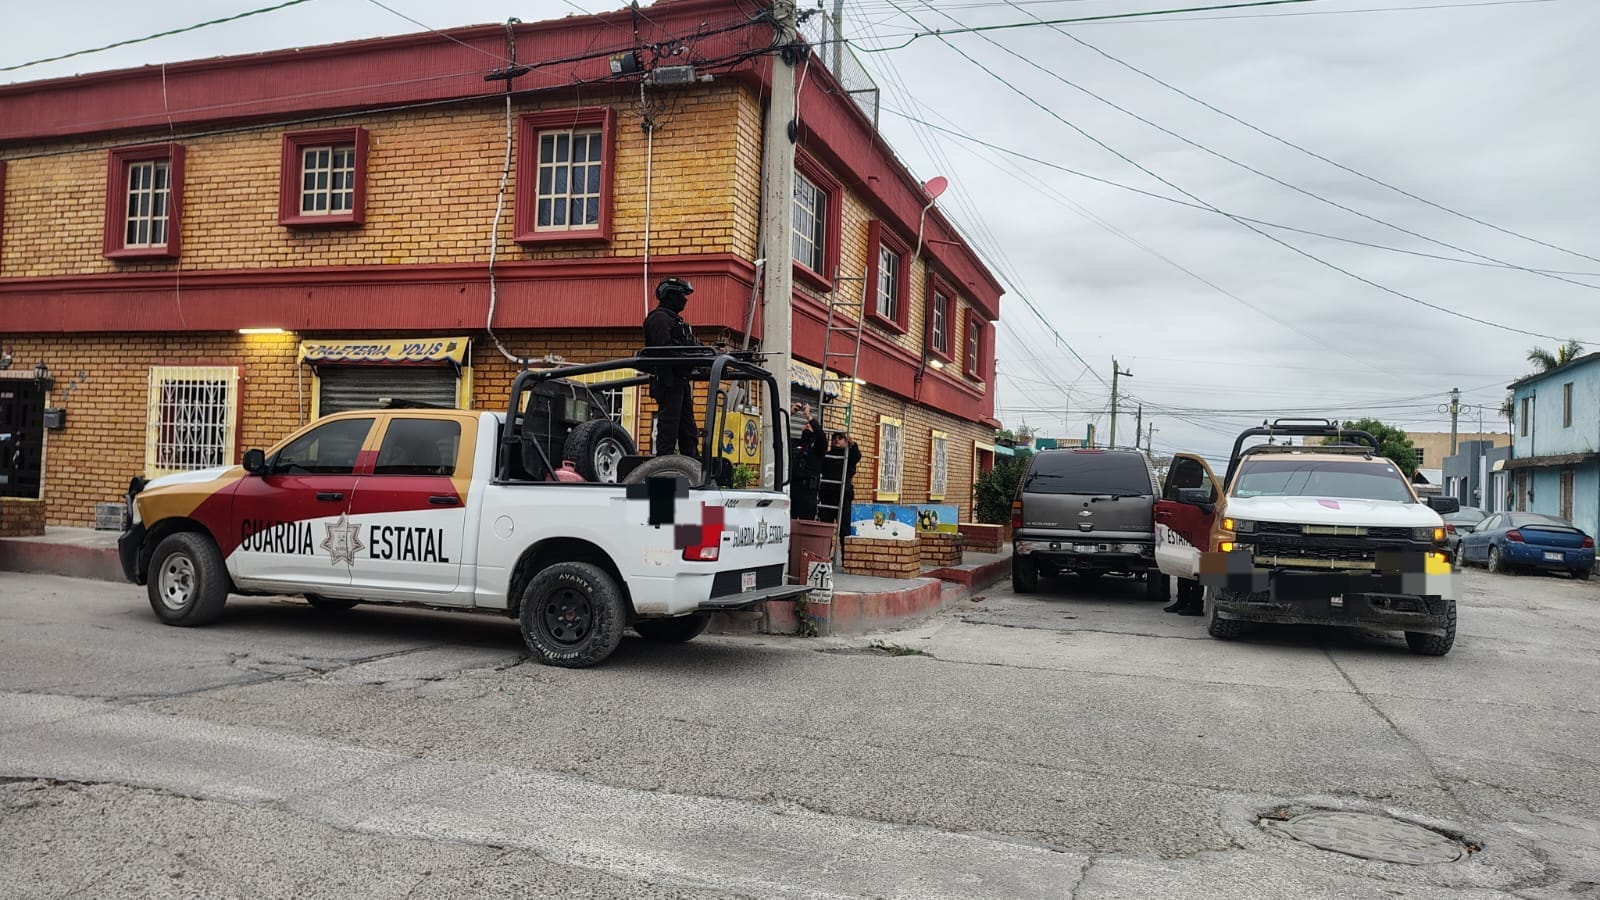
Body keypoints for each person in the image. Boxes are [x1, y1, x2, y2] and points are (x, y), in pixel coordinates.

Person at [642, 277, 701, 457]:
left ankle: (692, 464)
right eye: (681, 295)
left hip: (680, 381)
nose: (684, 300)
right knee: (669, 429)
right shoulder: (659, 319)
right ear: (670, 295)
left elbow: (693, 346)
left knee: (688, 431)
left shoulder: (677, 323)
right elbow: (663, 351)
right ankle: (664, 466)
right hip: (668, 381)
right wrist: (685, 357)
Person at [818, 431, 861, 545]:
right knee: (825, 527)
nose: (836, 440)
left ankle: (845, 553)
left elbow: (856, 456)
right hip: (827, 495)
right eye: (834, 438)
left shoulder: (848, 455)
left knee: (844, 528)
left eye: (840, 438)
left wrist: (852, 444)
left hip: (843, 495)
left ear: (845, 441)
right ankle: (824, 552)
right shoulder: (827, 455)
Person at [789, 402, 827, 520]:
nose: (807, 425)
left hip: (808, 493)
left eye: (810, 425)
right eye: (805, 424)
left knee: (805, 525)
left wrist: (808, 417)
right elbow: (779, 432)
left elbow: (821, 436)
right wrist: (789, 413)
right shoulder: (795, 444)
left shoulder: (817, 448)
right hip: (792, 490)